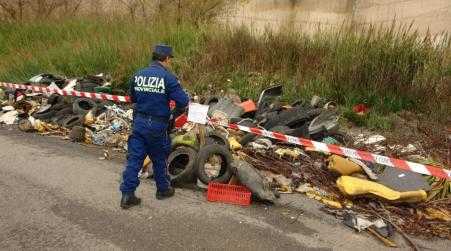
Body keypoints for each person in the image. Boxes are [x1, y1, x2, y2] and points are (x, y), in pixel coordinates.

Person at [120, 44, 189, 209]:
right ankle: (163, 190)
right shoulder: (168, 78)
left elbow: (133, 99)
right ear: (166, 59)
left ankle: (127, 195)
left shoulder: (138, 75)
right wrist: (173, 114)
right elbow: (183, 101)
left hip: (139, 123)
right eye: (169, 59)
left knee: (135, 159)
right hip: (157, 125)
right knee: (159, 158)